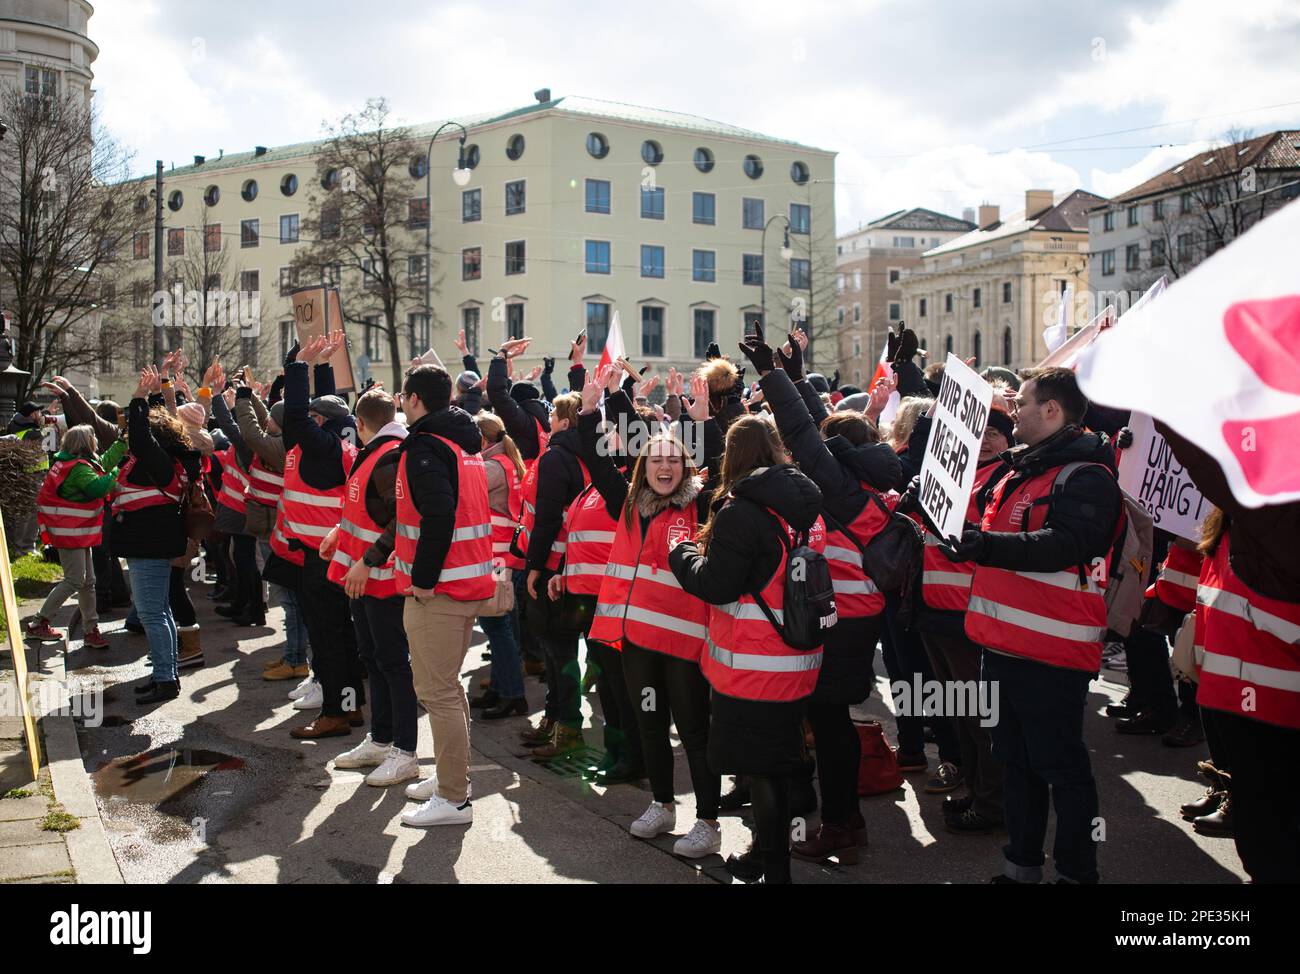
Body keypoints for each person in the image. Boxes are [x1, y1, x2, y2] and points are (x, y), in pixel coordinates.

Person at [945, 366, 1121, 884]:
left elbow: (1067, 544)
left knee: (1062, 770)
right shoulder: (1022, 469)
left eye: (1021, 402)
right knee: (1015, 765)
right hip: (1001, 648)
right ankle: (1021, 868)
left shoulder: (1086, 476)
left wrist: (987, 546)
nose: (1013, 409)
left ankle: (1076, 873)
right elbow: (983, 529)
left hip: (1052, 655)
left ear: (1052, 410)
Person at [749, 329, 900, 862]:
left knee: (831, 725)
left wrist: (771, 374)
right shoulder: (873, 474)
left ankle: (840, 825)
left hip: (844, 622)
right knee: (831, 722)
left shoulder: (841, 488)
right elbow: (817, 425)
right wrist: (793, 371)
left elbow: (803, 429)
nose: (813, 450)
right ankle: (846, 822)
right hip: (860, 618)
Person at [670, 414, 827, 884]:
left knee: (763, 774)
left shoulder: (742, 511)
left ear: (733, 457)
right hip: (798, 660)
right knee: (779, 767)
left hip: (753, 668)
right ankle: (766, 857)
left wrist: (681, 552)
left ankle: (773, 870)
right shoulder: (806, 506)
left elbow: (716, 585)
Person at [579, 368, 722, 850]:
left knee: (695, 732)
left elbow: (722, 472)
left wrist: (701, 422)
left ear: (684, 467)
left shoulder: (699, 506)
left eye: (674, 461)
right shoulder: (628, 503)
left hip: (683, 646)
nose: (665, 468)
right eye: (656, 460)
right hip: (637, 643)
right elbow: (598, 464)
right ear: (644, 467)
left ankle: (708, 821)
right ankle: (662, 804)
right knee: (650, 724)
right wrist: (587, 408)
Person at [1156, 421, 1300, 883]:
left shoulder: (1274, 507)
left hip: (1273, 699)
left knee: (1271, 837)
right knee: (1264, 827)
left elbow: (1210, 467)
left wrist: (1166, 405)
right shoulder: (1246, 513)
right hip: (1237, 690)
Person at [394, 364, 495, 827]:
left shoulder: (426, 446)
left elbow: (438, 516)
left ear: (414, 399)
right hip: (461, 583)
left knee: (438, 692)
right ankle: (453, 780)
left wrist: (423, 581)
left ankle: (454, 797)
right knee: (447, 689)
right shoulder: (460, 440)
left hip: (442, 589)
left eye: (403, 394)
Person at [906, 402, 1014, 833]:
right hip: (937, 608)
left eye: (996, 431)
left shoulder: (1005, 477)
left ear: (1010, 439)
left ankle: (992, 804)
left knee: (980, 715)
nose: (986, 438)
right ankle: (975, 787)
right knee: (959, 712)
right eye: (980, 431)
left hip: (972, 612)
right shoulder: (953, 473)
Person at [323, 388, 420, 788]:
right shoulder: (379, 451)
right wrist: (338, 533)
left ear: (360, 425)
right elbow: (369, 512)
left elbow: (400, 521)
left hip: (382, 578)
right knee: (375, 658)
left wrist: (365, 561)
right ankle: (382, 740)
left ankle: (405, 751)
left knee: (394, 663)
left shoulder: (391, 454)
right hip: (367, 578)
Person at [280, 334, 365, 740]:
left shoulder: (321, 446)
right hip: (336, 553)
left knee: (327, 637)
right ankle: (351, 706)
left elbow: (298, 416)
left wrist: (299, 365)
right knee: (343, 635)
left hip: (321, 558)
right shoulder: (341, 443)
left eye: (315, 419)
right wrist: (324, 368)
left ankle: (335, 712)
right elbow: (327, 407)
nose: (308, 420)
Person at [114, 367, 202, 704]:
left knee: (153, 613)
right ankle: (164, 674)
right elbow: (141, 436)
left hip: (149, 543)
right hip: (150, 542)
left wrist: (138, 399)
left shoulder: (160, 461)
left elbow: (139, 437)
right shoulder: (164, 460)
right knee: (159, 611)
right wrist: (153, 394)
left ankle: (166, 678)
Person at [520, 389, 590, 758]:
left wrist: (533, 567)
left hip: (552, 566)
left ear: (563, 422)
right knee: (557, 649)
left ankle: (568, 730)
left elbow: (547, 518)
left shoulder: (557, 457)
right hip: (575, 564)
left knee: (557, 650)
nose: (547, 426)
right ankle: (555, 718)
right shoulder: (590, 454)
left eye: (551, 420)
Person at [235, 374, 312, 684]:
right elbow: (268, 417)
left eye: (272, 420)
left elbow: (252, 433)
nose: (268, 422)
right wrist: (252, 394)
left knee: (290, 600)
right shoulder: (283, 438)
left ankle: (296, 659)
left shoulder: (278, 448)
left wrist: (242, 397)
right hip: (274, 525)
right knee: (290, 598)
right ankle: (294, 655)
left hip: (275, 528)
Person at [27, 423, 126, 649]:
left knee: (87, 582)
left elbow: (103, 461)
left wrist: (122, 444)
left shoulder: (73, 463)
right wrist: (119, 468)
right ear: (85, 444)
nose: (96, 443)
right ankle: (38, 624)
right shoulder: (79, 469)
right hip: (72, 534)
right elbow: (99, 488)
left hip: (75, 532)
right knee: (75, 580)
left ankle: (91, 630)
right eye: (93, 439)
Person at [467, 412, 529, 719]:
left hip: (495, 553)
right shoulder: (505, 460)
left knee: (497, 624)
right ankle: (503, 688)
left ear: (482, 439)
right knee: (500, 623)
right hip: (503, 551)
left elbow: (463, 493)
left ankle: (512, 693)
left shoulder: (491, 466)